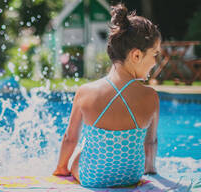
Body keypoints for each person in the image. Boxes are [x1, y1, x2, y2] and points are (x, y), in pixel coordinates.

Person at [53, 3, 161, 188]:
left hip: (92, 178)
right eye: (154, 54)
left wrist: (61, 169)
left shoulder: (85, 92)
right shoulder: (151, 96)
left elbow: (70, 139)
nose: (155, 62)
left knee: (82, 150)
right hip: (132, 176)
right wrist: (150, 170)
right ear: (136, 55)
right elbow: (150, 143)